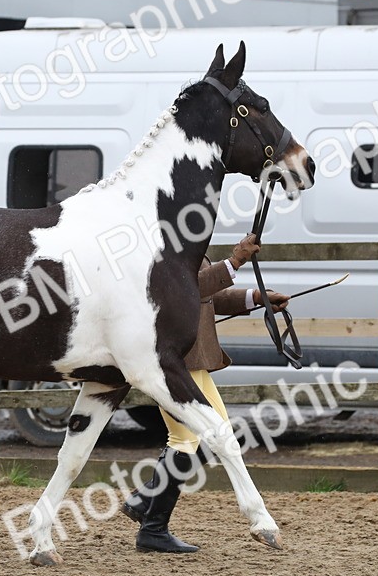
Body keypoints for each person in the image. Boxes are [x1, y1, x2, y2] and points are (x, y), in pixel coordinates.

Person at [122, 233, 289, 553]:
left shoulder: (184, 244)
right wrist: (235, 261)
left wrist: (256, 297)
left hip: (187, 360)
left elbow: (207, 297)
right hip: (176, 360)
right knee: (196, 439)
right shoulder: (160, 245)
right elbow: (187, 290)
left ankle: (147, 508)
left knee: (202, 438)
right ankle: (151, 524)